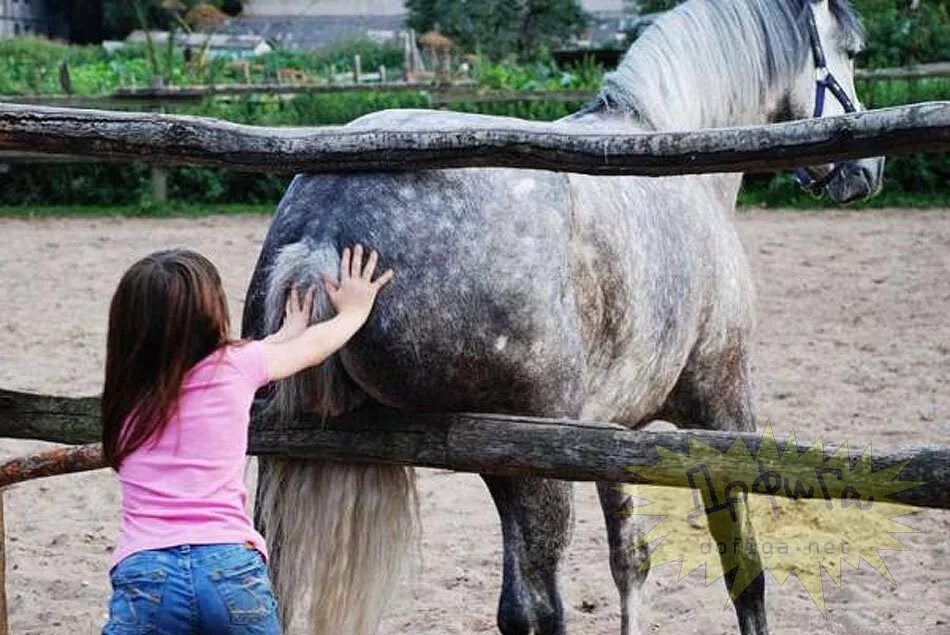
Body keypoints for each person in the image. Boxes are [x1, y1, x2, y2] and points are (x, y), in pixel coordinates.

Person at [100, 245, 393, 634]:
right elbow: (313, 349)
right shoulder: (236, 368)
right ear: (210, 313)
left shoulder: (125, 395)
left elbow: (247, 354)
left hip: (147, 574)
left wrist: (283, 334)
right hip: (229, 568)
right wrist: (354, 311)